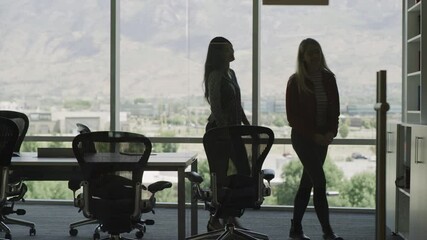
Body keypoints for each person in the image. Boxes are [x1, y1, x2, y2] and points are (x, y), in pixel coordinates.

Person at [286, 38, 343, 240]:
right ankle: (327, 231)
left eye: (317, 51)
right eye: (310, 52)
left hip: (322, 138)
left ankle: (295, 229)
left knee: (307, 183)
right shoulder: (295, 81)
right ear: (303, 57)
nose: (315, 55)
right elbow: (292, 116)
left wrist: (330, 132)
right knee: (319, 180)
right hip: (303, 138)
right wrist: (314, 135)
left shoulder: (329, 79)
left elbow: (334, 110)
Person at [203, 36, 250, 231]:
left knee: (243, 173)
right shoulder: (215, 75)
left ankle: (228, 216)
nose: (233, 54)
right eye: (230, 50)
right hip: (219, 133)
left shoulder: (231, 73)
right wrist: (225, 131)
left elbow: (237, 103)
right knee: (222, 178)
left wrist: (247, 125)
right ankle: (218, 218)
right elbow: (216, 105)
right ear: (221, 53)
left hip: (234, 131)